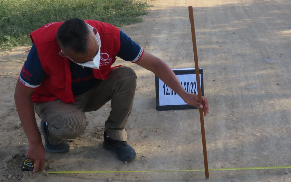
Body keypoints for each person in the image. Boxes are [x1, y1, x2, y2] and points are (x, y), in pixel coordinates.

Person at [14, 18, 210, 173]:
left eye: (95, 54)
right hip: (55, 99)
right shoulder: (43, 48)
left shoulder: (110, 34)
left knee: (126, 76)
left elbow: (154, 64)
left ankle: (114, 135)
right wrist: (34, 142)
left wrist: (184, 94)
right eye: (84, 61)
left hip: (91, 91)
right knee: (73, 125)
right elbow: (21, 95)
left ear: (95, 34)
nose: (93, 61)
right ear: (64, 54)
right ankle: (51, 131)